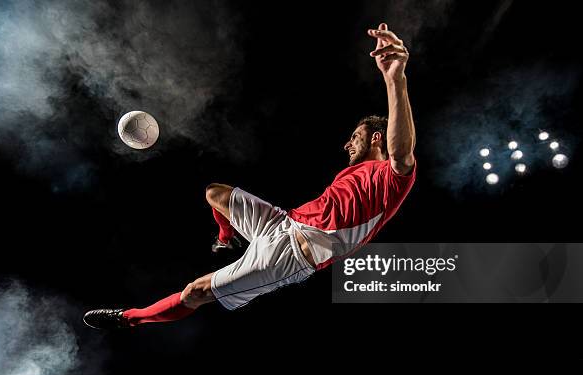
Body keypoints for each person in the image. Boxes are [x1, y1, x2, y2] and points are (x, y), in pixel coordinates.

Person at [83, 22, 416, 329]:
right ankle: (225, 239)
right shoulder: (354, 173)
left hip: (289, 257)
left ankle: (129, 318)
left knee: (195, 292)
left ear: (376, 138)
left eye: (355, 136)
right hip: (282, 223)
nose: (347, 143)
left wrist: (394, 78)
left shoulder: (390, 179)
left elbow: (401, 153)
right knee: (215, 192)